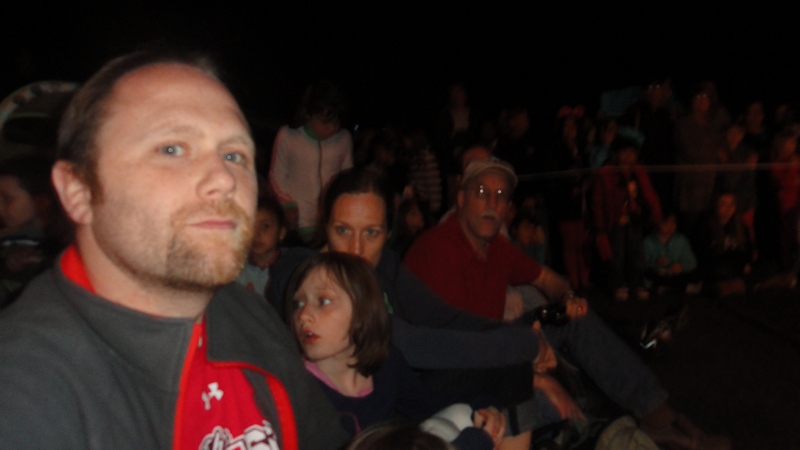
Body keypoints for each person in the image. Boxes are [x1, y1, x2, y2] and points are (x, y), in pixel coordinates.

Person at [0, 50, 346, 449]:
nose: (224, 178)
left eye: (234, 155)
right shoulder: (24, 393)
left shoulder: (251, 317)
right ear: (77, 191)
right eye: (172, 149)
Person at [403, 159, 730, 450]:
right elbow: (457, 351)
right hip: (449, 377)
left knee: (573, 319)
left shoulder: (495, 247)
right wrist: (534, 374)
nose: (492, 203)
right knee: (550, 402)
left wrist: (567, 298)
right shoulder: (437, 250)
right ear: (461, 199)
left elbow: (549, 279)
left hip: (493, 349)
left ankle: (657, 416)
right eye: (481, 193)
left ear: (508, 208)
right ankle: (605, 427)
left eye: (500, 196)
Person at [286, 252, 506, 449]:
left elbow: (426, 405)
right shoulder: (300, 391)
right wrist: (472, 444)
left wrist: (483, 408)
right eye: (298, 304)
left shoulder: (385, 363)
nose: (303, 315)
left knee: (463, 411)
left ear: (364, 308)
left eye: (323, 301)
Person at [269, 80, 353, 242]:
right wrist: (287, 204)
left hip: (330, 222)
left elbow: (346, 179)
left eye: (336, 121)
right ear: (307, 114)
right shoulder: (288, 136)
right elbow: (276, 175)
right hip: (296, 223)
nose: (332, 128)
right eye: (325, 122)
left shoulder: (344, 139)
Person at [236, 194, 287, 298]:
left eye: (265, 227)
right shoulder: (237, 267)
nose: (256, 234)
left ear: (281, 233)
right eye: (251, 227)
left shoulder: (288, 267)